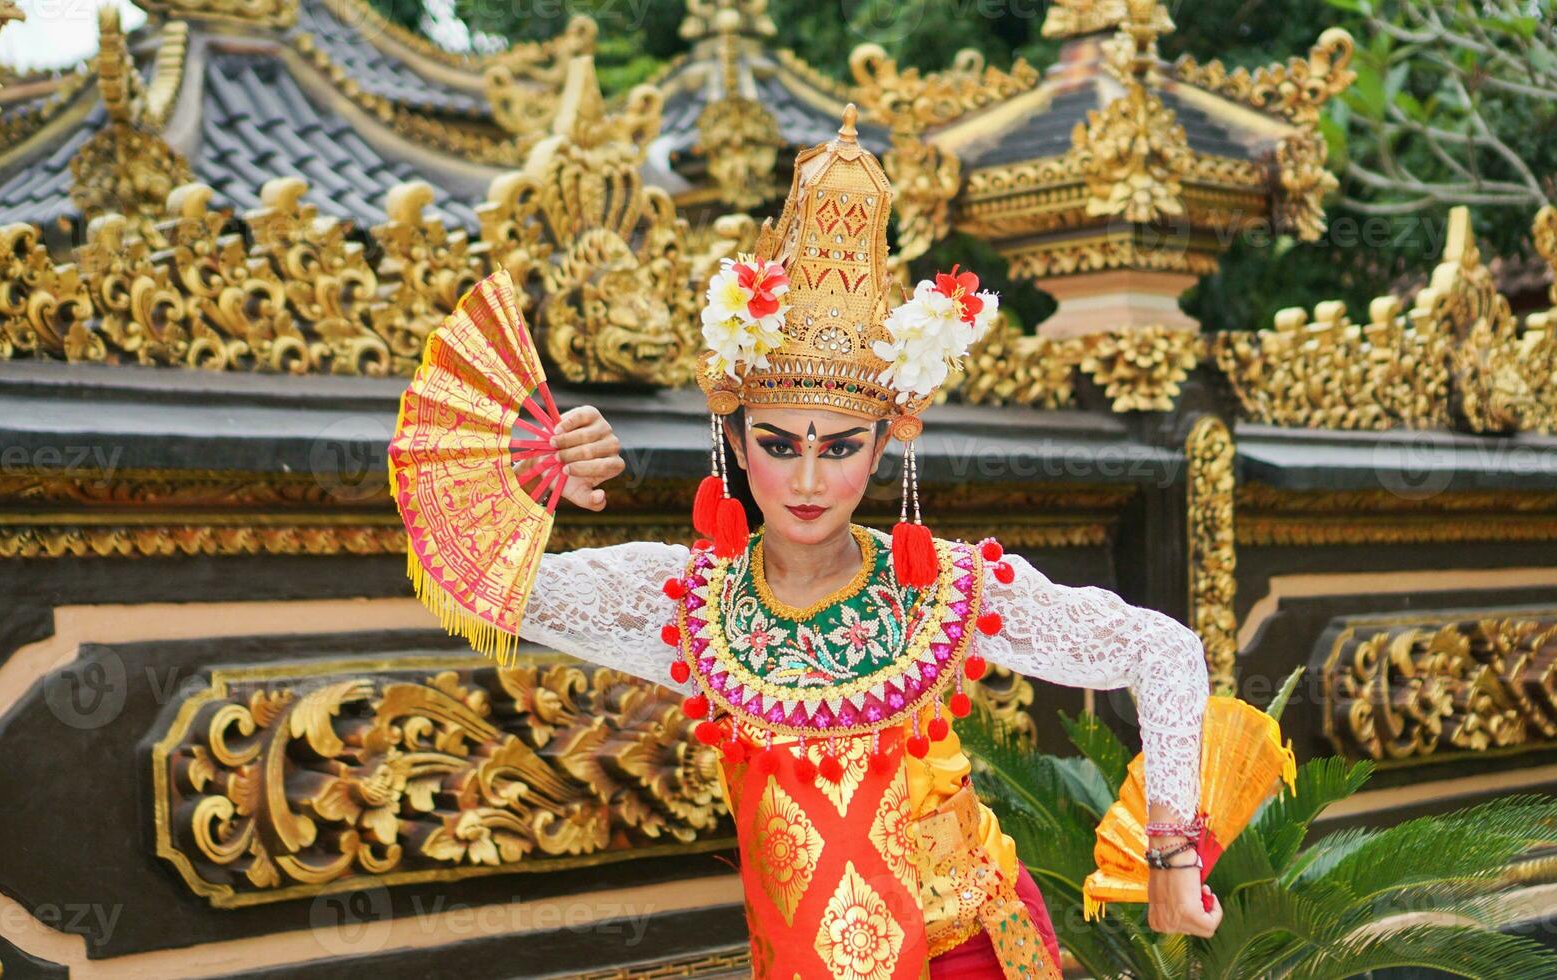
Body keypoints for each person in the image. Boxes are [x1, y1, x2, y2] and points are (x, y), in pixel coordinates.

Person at [514, 107, 1218, 979]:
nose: (808, 483)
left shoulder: (949, 590)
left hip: (972, 958)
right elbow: (477, 581)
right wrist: (531, 475)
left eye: (840, 448)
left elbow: (1167, 652)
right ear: (735, 444)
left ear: (886, 448)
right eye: (778, 445)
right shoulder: (684, 604)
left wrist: (1171, 856)